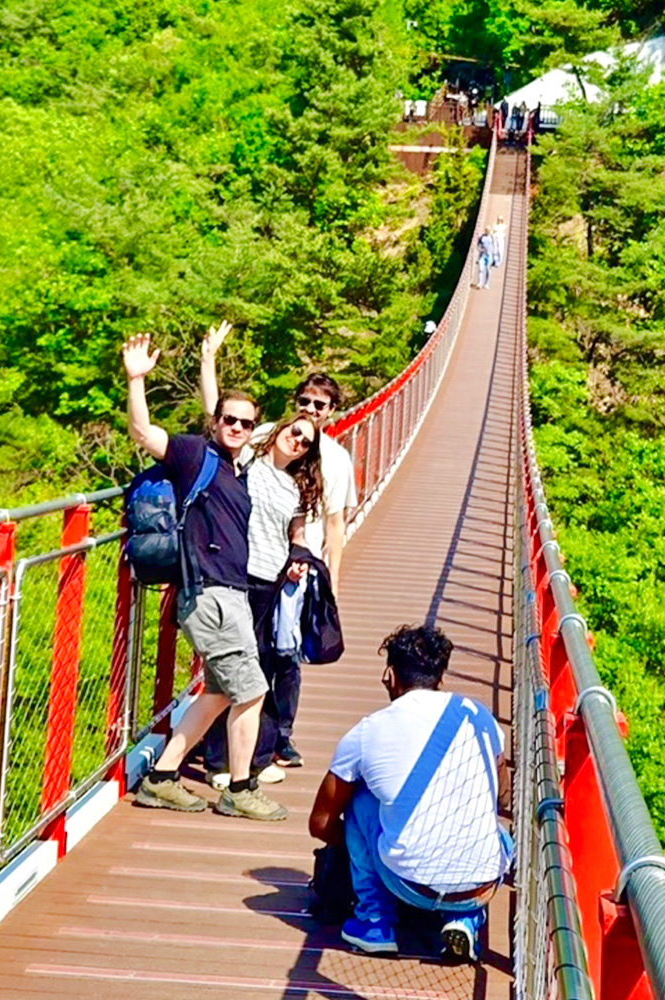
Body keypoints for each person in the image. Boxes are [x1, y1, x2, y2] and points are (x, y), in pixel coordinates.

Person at [122, 327, 290, 822]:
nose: (237, 427)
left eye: (246, 423)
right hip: (211, 593)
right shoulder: (196, 454)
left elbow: (221, 403)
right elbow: (144, 433)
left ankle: (162, 778)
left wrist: (208, 359)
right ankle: (240, 789)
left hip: (229, 592)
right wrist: (136, 381)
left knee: (219, 693)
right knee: (252, 690)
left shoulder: (235, 466)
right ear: (215, 424)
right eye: (229, 421)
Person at [201, 324, 358, 768]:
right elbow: (221, 424)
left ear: (332, 411)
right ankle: (241, 750)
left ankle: (278, 737)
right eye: (304, 402)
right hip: (248, 563)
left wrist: (332, 588)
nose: (310, 410)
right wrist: (209, 360)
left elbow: (334, 525)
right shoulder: (269, 433)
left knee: (284, 653)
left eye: (319, 405)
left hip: (296, 565)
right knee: (249, 652)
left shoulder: (336, 460)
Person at [308, 625, 513, 963]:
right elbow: (502, 798)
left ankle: (375, 922)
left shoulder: (367, 732)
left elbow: (320, 823)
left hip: (407, 884)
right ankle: (464, 921)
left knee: (360, 800)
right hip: (480, 886)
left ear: (389, 674)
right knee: (498, 835)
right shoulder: (481, 717)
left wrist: (375, 850)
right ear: (441, 678)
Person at [202, 412, 324, 786]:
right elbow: (217, 417)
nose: (298, 442)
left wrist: (298, 563)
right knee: (235, 667)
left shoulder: (296, 488)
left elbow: (297, 538)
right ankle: (218, 762)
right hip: (236, 576)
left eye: (306, 442)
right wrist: (208, 361)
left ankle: (256, 757)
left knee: (265, 665)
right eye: (295, 433)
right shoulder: (247, 465)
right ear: (280, 429)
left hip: (271, 584)